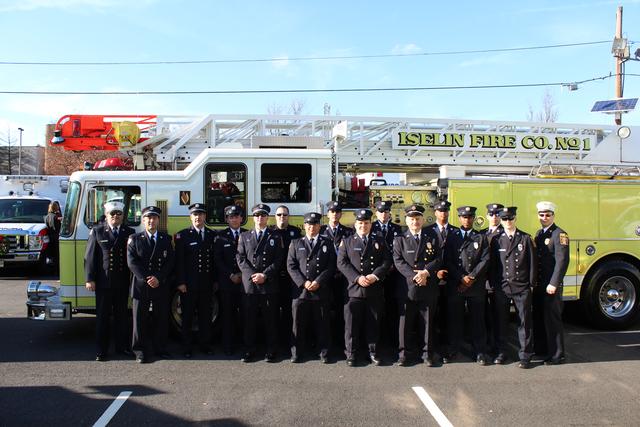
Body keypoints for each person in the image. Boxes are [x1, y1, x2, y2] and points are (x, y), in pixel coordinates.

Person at [337, 208, 392, 366]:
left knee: (373, 323)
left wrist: (374, 276)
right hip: (353, 290)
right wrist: (357, 278)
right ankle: (351, 353)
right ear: (355, 224)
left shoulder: (379, 241)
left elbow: (386, 262)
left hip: (373, 289)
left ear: (370, 224)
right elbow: (341, 263)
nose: (363, 226)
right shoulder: (347, 241)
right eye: (360, 223)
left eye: (366, 223)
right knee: (351, 325)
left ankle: (372, 352)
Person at [84, 200, 135, 361]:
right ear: (106, 215)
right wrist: (90, 279)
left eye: (118, 214)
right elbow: (90, 257)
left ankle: (122, 347)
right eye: (112, 214)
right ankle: (101, 351)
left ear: (122, 216)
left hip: (122, 282)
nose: (115, 216)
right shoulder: (97, 231)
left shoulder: (130, 232)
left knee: (122, 318)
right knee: (102, 318)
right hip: (104, 282)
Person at [393, 205, 441, 367]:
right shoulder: (400, 239)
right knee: (405, 323)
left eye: (418, 219)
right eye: (412, 219)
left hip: (427, 285)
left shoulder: (432, 236)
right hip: (407, 287)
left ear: (422, 220)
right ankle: (403, 354)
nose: (415, 222)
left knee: (427, 323)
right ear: (407, 220)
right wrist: (415, 276)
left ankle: (427, 354)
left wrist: (425, 273)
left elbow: (439, 258)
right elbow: (398, 261)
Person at [490, 207, 537, 369]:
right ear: (501, 221)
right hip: (502, 287)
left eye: (510, 219)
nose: (507, 222)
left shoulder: (525, 238)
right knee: (501, 322)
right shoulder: (496, 240)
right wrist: (495, 285)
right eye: (504, 219)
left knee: (524, 322)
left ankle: (525, 355)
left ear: (515, 219)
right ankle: (502, 352)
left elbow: (532, 264)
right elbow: (494, 266)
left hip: (521, 286)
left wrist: (531, 285)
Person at [442, 206, 490, 365]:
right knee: (454, 320)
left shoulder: (480, 237)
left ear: (474, 218)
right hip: (456, 285)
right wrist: (461, 278)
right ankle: (452, 350)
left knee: (478, 321)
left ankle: (480, 352)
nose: (467, 220)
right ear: (459, 218)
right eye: (464, 217)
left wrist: (471, 277)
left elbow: (485, 260)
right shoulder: (451, 236)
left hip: (475, 286)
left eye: (470, 217)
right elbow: (447, 260)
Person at [236, 203, 284, 363]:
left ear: (267, 218)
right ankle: (249, 350)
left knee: (271, 320)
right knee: (248, 320)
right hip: (250, 285)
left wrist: (265, 275)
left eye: (263, 215)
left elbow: (279, 260)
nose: (260, 218)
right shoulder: (244, 236)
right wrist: (252, 275)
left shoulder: (275, 236)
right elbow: (240, 258)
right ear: (252, 218)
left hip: (268, 284)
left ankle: (271, 350)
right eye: (257, 215)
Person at [127, 206, 175, 363]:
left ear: (158, 220)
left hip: (160, 284)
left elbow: (170, 262)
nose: (151, 220)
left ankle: (160, 348)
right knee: (139, 320)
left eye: (154, 218)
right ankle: (139, 351)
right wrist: (148, 278)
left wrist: (158, 278)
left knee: (161, 319)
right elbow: (132, 262)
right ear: (143, 220)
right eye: (148, 218)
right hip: (141, 285)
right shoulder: (134, 239)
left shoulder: (165, 239)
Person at [287, 212, 336, 363]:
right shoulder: (296, 243)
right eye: (308, 224)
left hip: (320, 290)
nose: (311, 227)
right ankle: (297, 352)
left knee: (322, 323)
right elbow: (291, 265)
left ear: (319, 226)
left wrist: (319, 281)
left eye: (315, 224)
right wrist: (303, 282)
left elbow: (331, 265)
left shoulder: (327, 242)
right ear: (305, 226)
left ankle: (323, 352)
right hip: (301, 291)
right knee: (298, 324)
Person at [174, 203, 216, 358]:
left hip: (206, 284)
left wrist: (215, 281)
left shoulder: (212, 235)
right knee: (187, 317)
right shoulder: (182, 235)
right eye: (195, 215)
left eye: (201, 214)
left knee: (206, 316)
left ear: (205, 217)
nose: (198, 217)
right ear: (190, 217)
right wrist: (181, 282)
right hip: (189, 285)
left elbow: (214, 261)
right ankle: (186, 347)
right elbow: (179, 262)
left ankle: (205, 345)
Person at [533, 201, 570, 365]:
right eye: (541, 215)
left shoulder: (560, 234)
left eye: (548, 215)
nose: (544, 217)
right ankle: (542, 351)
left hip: (551, 286)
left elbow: (562, 262)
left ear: (553, 216)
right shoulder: (539, 234)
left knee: (552, 321)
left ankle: (557, 355)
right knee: (540, 318)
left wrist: (554, 283)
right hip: (540, 285)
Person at [319, 200, 354, 349]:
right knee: (324, 310)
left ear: (341, 214)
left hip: (342, 277)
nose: (335, 214)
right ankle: (325, 341)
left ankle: (341, 341)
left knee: (342, 309)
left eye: (337, 212)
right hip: (325, 277)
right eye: (332, 212)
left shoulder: (348, 232)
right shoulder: (319, 230)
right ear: (327, 214)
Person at [214, 205, 247, 356]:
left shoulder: (248, 234)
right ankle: (228, 345)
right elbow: (218, 260)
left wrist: (241, 274)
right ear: (227, 219)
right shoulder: (220, 237)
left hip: (245, 283)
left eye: (237, 216)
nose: (234, 219)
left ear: (242, 218)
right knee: (227, 315)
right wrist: (231, 275)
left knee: (245, 315)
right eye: (231, 217)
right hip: (227, 283)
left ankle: (245, 344)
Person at [371, 200, 403, 349]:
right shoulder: (370, 227)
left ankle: (392, 339)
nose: (384, 214)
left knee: (392, 306)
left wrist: (391, 266)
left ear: (390, 213)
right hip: (376, 273)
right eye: (381, 211)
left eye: (386, 211)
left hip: (393, 273)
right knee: (376, 306)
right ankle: (378, 338)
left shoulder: (397, 228)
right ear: (376, 212)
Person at [269, 205, 302, 349]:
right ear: (275, 217)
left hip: (291, 279)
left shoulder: (296, 232)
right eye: (279, 215)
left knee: (290, 312)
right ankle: (275, 343)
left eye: (285, 215)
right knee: (273, 312)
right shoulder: (270, 232)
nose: (282, 217)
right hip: (274, 278)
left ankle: (289, 342)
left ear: (289, 216)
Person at [480, 202, 504, 357]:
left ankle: (499, 349)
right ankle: (487, 344)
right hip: (483, 282)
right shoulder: (481, 234)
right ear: (487, 216)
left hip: (499, 282)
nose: (494, 217)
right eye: (491, 214)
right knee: (485, 316)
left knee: (499, 317)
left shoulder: (506, 233)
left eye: (497, 214)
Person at [431, 200, 455, 353]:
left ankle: (448, 346)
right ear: (435, 213)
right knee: (432, 314)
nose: (443, 214)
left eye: (446, 211)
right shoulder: (427, 231)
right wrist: (434, 273)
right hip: (432, 279)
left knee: (449, 314)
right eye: (440, 211)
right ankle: (432, 345)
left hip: (451, 279)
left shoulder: (455, 231)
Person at [43, 201, 62, 267]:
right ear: (56, 207)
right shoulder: (56, 217)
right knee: (57, 255)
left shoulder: (46, 217)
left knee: (51, 255)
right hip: (56, 238)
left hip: (49, 238)